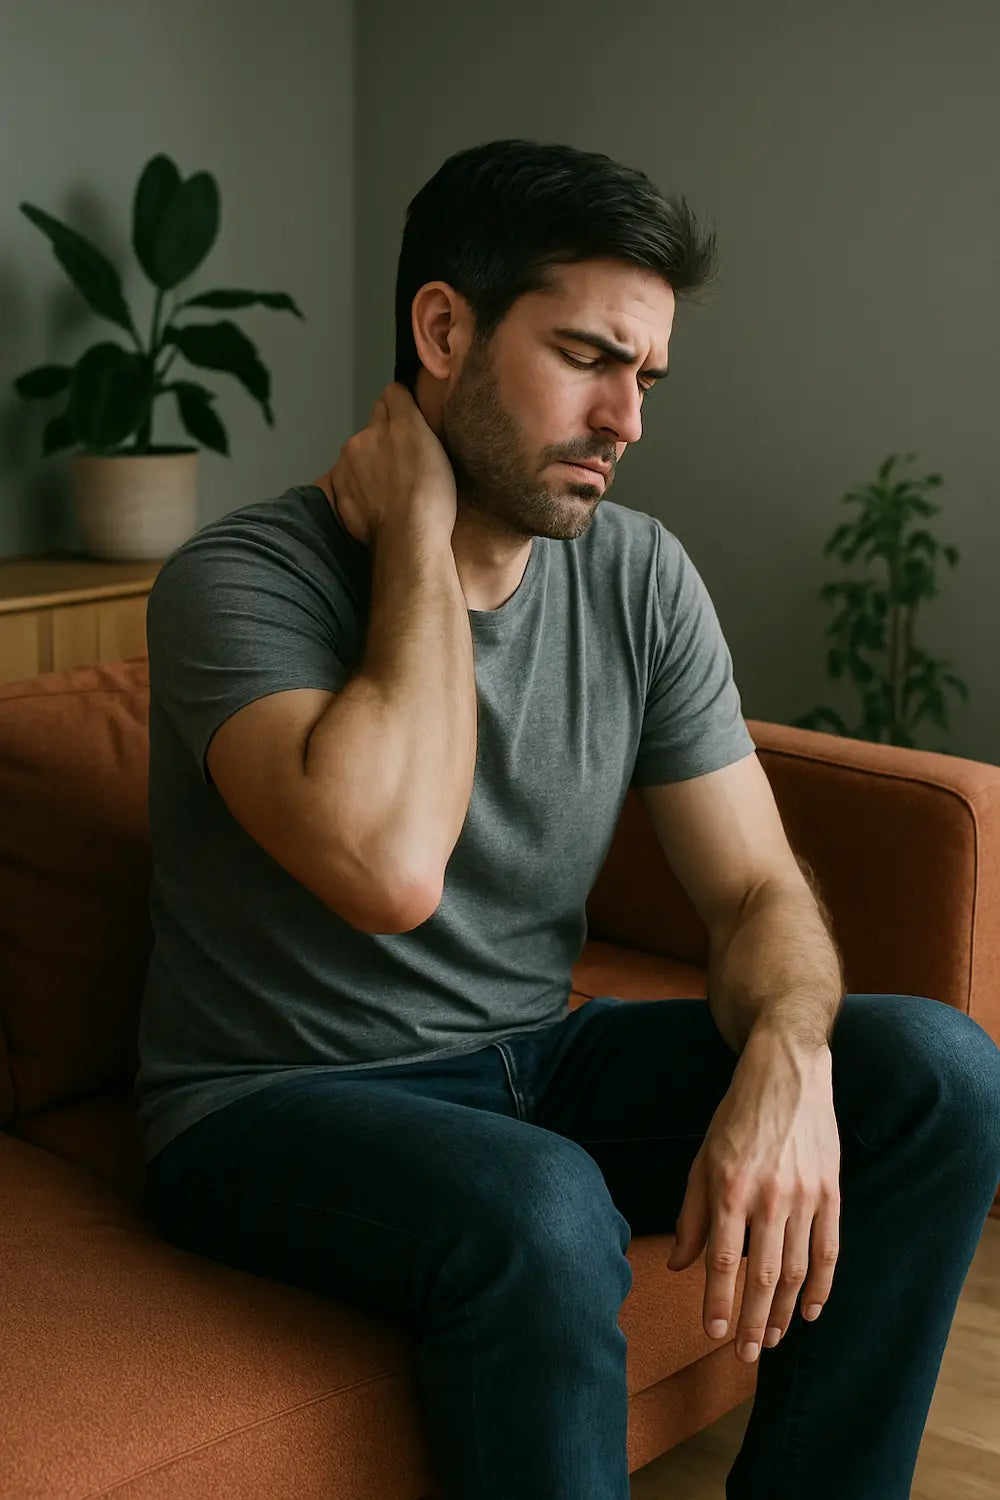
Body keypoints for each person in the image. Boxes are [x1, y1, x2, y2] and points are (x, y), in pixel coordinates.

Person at [136, 138, 1000, 1500]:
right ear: (442, 329)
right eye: (591, 357)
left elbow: (760, 894)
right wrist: (419, 530)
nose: (629, 421)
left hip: (535, 1064)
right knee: (541, 1205)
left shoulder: (641, 576)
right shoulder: (237, 581)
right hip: (273, 1107)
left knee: (936, 1071)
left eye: (647, 377)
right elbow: (389, 868)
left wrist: (788, 1053)